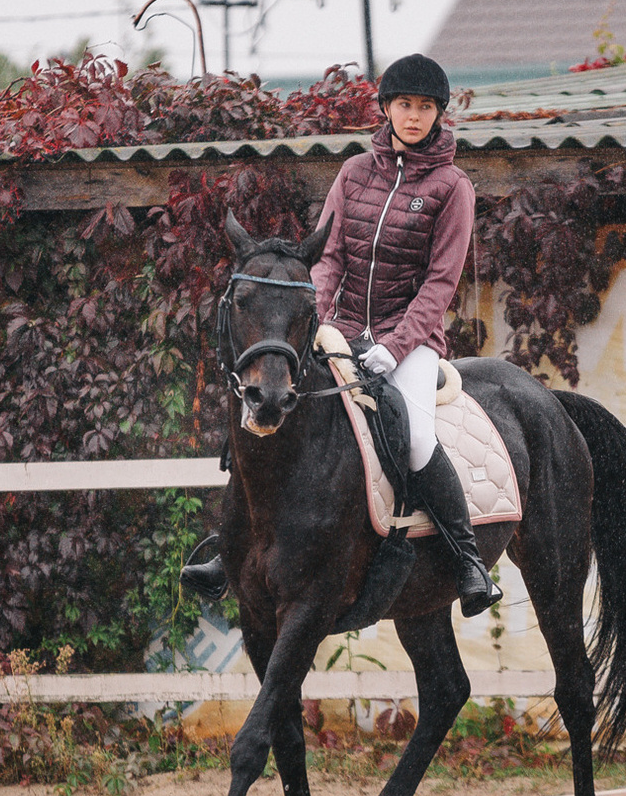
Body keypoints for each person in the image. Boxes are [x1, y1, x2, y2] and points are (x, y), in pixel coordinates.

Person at [185, 53, 502, 618]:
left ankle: (467, 557)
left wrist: (396, 346)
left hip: (412, 343)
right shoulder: (353, 173)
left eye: (424, 107)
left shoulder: (453, 187)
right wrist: (325, 323)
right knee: (269, 413)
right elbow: (327, 259)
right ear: (386, 108)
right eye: (403, 104)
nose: (412, 116)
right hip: (340, 330)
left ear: (438, 115)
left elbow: (441, 281)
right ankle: (226, 548)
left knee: (415, 437)